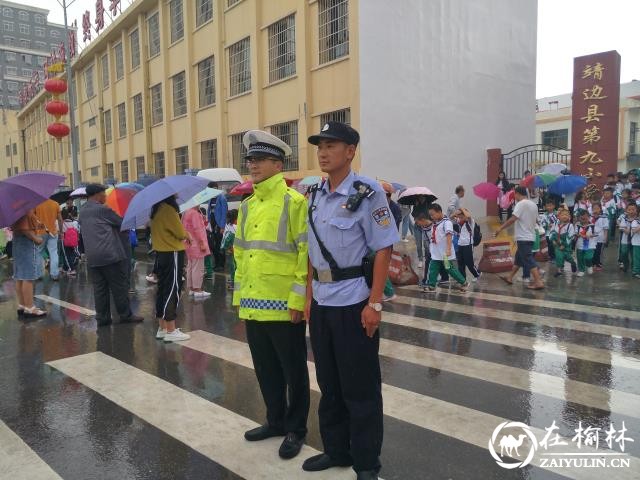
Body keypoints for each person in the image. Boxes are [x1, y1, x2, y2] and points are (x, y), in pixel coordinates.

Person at [303, 121, 399, 480]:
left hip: (354, 302)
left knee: (360, 389)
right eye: (320, 147)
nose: (324, 152)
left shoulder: (367, 192)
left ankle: (366, 465)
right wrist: (310, 298)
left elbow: (383, 248)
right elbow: (313, 255)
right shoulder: (314, 193)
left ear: (350, 151)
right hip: (324, 303)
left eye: (332, 145)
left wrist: (374, 304)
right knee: (329, 385)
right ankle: (336, 451)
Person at [232, 130, 310, 460]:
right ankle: (274, 420)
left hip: (283, 304)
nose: (253, 165)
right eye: (250, 160)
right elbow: (240, 254)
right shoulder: (247, 206)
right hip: (253, 303)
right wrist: (239, 299)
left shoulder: (295, 202)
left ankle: (296, 429)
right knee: (265, 369)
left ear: (278, 165)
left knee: (293, 371)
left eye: (260, 160)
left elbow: (304, 253)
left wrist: (297, 299)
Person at [78, 184, 143, 326]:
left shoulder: (82, 211)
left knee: (100, 289)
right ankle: (125, 315)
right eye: (103, 194)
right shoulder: (103, 210)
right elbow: (122, 224)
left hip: (93, 256)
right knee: (119, 287)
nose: (105, 197)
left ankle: (103, 318)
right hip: (109, 255)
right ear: (97, 195)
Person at [149, 195, 191, 342]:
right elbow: (180, 233)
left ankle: (162, 328)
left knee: (162, 290)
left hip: (161, 253)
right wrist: (187, 234)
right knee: (172, 289)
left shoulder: (155, 210)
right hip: (172, 252)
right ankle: (171, 329)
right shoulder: (168, 210)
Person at [494, 186, 545, 289]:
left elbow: (513, 218)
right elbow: (536, 220)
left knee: (527, 258)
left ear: (517, 193)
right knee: (519, 258)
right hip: (530, 235)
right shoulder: (533, 204)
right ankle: (510, 277)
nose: (514, 197)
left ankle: (538, 281)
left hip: (523, 237)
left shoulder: (520, 204)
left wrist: (500, 228)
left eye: (514, 194)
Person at [422, 203, 468, 292]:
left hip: (444, 253)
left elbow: (449, 236)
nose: (431, 217)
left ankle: (464, 283)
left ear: (439, 212)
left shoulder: (447, 223)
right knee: (433, 269)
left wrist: (448, 249)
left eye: (433, 214)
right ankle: (431, 286)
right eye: (430, 215)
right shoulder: (436, 223)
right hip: (436, 253)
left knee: (450, 269)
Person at [11, 209, 46, 317]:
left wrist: (37, 224)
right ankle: (30, 308)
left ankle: (22, 305)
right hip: (26, 242)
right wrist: (36, 238)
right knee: (28, 276)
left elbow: (21, 226)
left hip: (17, 241)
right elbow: (24, 229)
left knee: (20, 276)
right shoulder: (23, 207)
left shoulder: (14, 208)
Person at [182, 206, 211, 298]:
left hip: (189, 244)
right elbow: (198, 230)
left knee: (190, 266)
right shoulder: (195, 214)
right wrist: (202, 243)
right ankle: (197, 289)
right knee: (198, 268)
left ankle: (191, 288)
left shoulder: (186, 213)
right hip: (197, 244)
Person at [34, 198, 63, 281]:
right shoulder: (55, 204)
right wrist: (61, 232)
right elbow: (60, 219)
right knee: (53, 252)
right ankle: (54, 274)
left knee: (39, 252)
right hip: (52, 232)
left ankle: (39, 274)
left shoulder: (36, 204)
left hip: (40, 232)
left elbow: (32, 218)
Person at [454, 207, 480, 282]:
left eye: (462, 216)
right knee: (460, 263)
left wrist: (462, 209)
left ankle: (477, 274)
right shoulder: (459, 221)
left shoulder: (470, 221)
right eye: (459, 216)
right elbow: (451, 217)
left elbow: (468, 216)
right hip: (460, 245)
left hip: (468, 245)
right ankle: (463, 279)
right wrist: (457, 212)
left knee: (469, 263)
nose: (460, 218)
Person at [551, 207, 577, 277]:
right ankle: (559, 270)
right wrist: (553, 240)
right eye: (562, 215)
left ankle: (573, 263)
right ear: (558, 217)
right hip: (557, 243)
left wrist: (564, 245)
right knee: (558, 256)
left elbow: (571, 236)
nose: (564, 216)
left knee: (568, 257)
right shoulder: (556, 224)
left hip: (566, 245)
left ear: (569, 217)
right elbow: (552, 232)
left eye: (566, 215)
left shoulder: (570, 226)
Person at [575, 209, 597, 276]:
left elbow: (596, 233)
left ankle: (589, 265)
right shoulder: (577, 225)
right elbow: (575, 233)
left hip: (590, 245)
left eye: (585, 216)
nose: (583, 218)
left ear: (588, 217)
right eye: (581, 217)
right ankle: (581, 270)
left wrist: (590, 235)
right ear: (579, 218)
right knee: (580, 258)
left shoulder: (592, 225)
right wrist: (581, 235)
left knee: (588, 257)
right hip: (580, 244)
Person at [619, 203, 639, 275]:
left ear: (636, 210)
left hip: (634, 241)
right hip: (625, 240)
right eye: (629, 209)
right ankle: (625, 264)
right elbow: (621, 227)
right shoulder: (624, 219)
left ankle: (634, 268)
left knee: (634, 255)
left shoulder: (638, 219)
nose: (631, 211)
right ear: (626, 210)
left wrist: (631, 230)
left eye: (633, 209)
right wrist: (626, 230)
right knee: (624, 253)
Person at [221, 209, 237, 291]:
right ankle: (235, 284)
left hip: (228, 250)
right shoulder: (235, 227)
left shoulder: (227, 225)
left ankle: (232, 280)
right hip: (234, 250)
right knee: (236, 268)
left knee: (232, 267)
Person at [411, 195, 429, 268]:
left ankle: (427, 259)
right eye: (420, 197)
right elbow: (413, 214)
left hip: (425, 227)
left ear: (425, 197)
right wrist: (417, 206)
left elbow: (429, 215)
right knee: (418, 245)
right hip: (417, 226)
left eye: (422, 197)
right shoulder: (416, 204)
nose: (421, 198)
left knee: (426, 245)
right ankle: (420, 260)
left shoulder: (428, 204)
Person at [61, 210, 80, 275]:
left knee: (66, 255)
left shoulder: (62, 223)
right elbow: (76, 230)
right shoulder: (72, 222)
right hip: (72, 242)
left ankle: (72, 269)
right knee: (70, 254)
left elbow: (60, 231)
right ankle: (65, 268)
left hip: (65, 241)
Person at [591, 203, 608, 270]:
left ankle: (598, 264)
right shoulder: (590, 217)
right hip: (592, 238)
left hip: (600, 238)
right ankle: (593, 263)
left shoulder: (604, 217)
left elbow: (606, 228)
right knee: (593, 251)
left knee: (598, 251)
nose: (595, 210)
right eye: (594, 209)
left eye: (597, 208)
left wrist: (605, 237)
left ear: (600, 209)